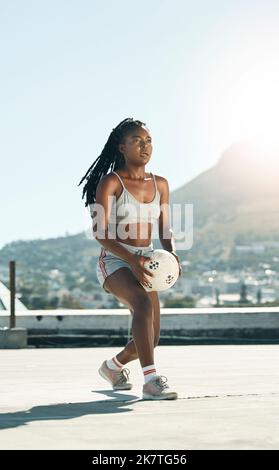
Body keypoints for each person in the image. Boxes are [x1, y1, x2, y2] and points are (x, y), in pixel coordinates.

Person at [78, 118, 182, 400]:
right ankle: (151, 382)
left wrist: (171, 256)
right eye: (137, 140)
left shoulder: (160, 184)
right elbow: (100, 233)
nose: (144, 145)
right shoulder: (111, 182)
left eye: (148, 140)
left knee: (150, 338)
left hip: (147, 260)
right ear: (122, 147)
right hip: (115, 259)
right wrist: (131, 260)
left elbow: (164, 228)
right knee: (141, 305)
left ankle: (113, 367)